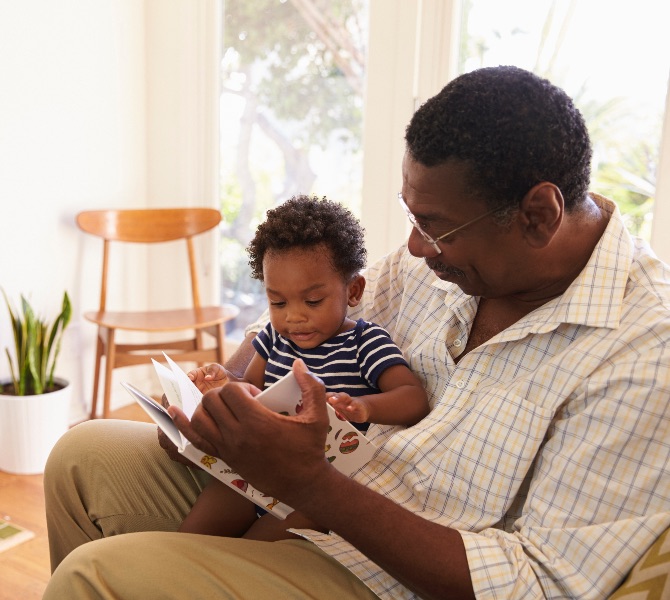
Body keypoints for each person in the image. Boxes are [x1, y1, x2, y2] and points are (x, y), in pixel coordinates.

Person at [42, 65, 670, 600]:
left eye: (438, 227)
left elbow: (537, 584)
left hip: (390, 571)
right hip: (311, 498)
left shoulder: (644, 349)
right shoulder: (442, 265)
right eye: (411, 213)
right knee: (81, 455)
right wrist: (220, 407)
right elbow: (302, 335)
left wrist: (308, 481)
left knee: (96, 577)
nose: (416, 248)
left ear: (537, 215)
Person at [178, 195, 428, 540]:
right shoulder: (272, 339)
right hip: (257, 468)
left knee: (252, 552)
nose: (293, 317)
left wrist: (365, 407)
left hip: (318, 489)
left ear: (353, 291)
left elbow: (414, 398)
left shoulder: (365, 343)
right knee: (193, 538)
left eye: (313, 301)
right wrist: (224, 384)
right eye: (277, 302)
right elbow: (251, 391)